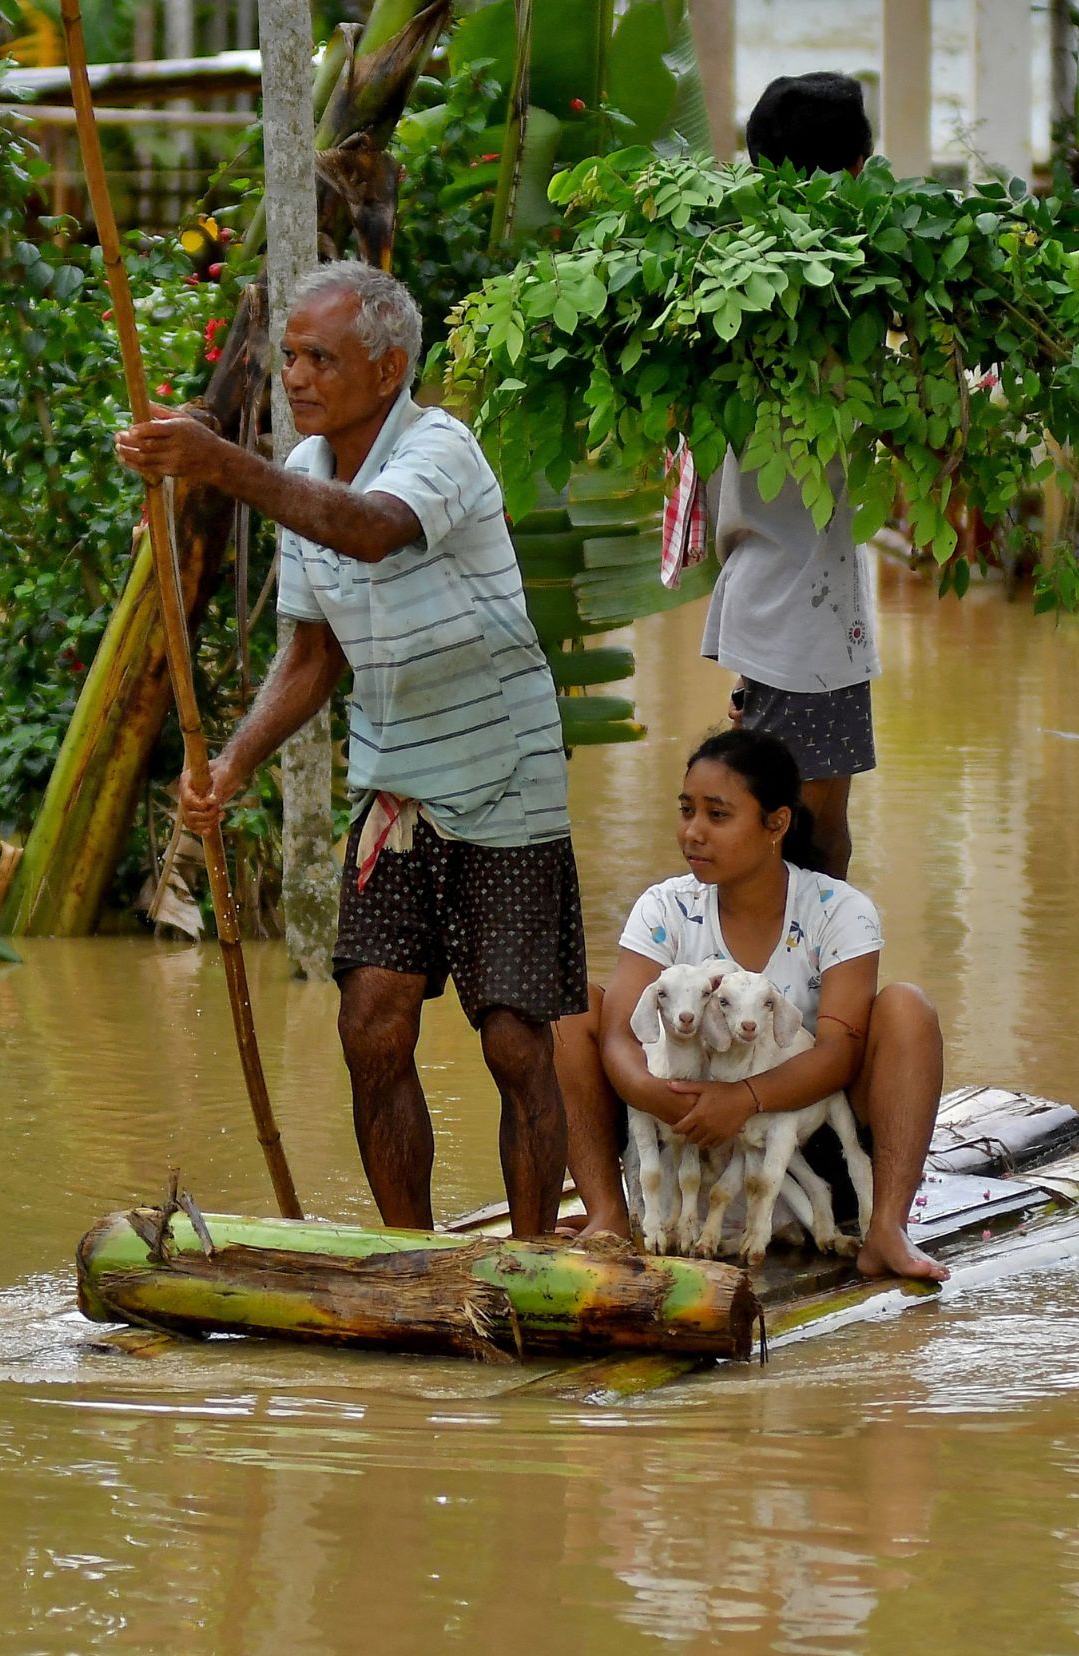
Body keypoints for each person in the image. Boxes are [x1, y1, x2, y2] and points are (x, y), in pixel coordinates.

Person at [115, 260, 588, 1237]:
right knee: (371, 1021)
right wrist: (233, 765)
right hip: (395, 783)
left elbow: (373, 533)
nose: (294, 375)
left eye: (319, 357)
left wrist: (218, 463)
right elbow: (313, 655)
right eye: (287, 355)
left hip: (504, 772)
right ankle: (411, 1258)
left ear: (388, 369)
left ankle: (534, 1254)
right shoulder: (311, 480)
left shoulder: (439, 449)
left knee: (512, 1035)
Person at [553, 728, 948, 1283]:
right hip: (676, 1135)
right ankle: (609, 1214)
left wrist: (743, 1099)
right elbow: (620, 1034)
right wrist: (667, 1102)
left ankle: (885, 1227)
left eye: (717, 816)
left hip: (803, 1143)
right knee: (569, 1012)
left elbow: (840, 1050)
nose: (693, 832)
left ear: (776, 824)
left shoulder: (839, 910)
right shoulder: (664, 907)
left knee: (908, 1008)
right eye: (687, 810)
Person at [700, 72, 880, 880]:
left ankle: (794, 989)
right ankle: (812, 993)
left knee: (789, 823)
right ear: (855, 169)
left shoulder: (732, 282)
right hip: (798, 611)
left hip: (775, 596)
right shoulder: (845, 291)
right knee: (811, 831)